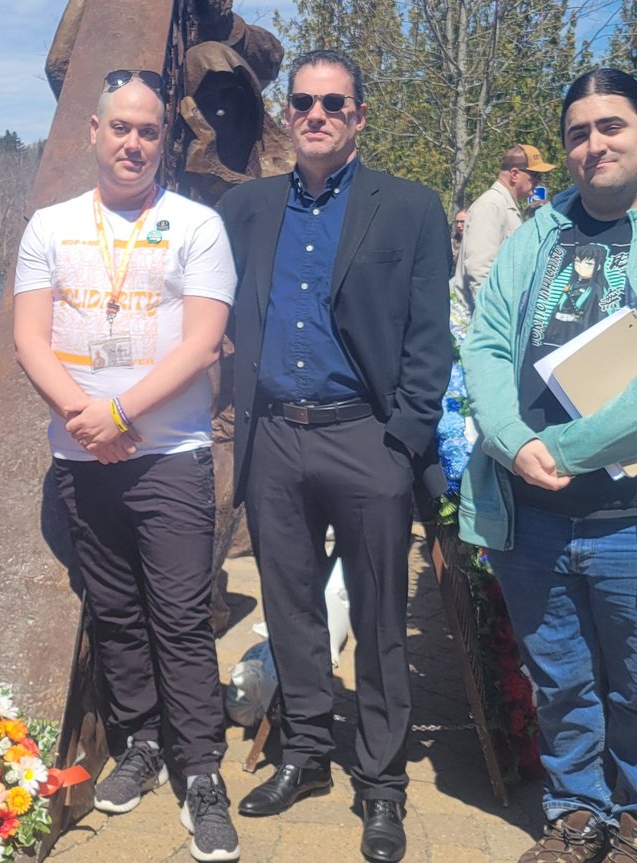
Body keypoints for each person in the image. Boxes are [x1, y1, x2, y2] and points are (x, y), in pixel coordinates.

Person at [217, 49, 451, 863]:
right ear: (288, 115)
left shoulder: (411, 208)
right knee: (291, 612)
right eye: (304, 104)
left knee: (381, 620)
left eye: (333, 104)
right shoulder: (246, 208)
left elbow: (430, 339)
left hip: (366, 439)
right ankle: (306, 754)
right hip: (274, 436)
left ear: (359, 116)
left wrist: (403, 443)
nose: (316, 115)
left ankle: (383, 787)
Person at [13, 68, 239, 862]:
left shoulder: (196, 226)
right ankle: (142, 741)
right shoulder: (50, 225)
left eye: (149, 130)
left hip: (168, 453)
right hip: (81, 453)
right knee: (113, 610)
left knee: (179, 616)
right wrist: (87, 417)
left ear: (162, 140)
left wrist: (119, 412)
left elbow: (201, 341)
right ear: (94, 135)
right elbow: (30, 337)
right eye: (121, 128)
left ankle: (202, 770)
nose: (134, 141)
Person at [460, 67, 637, 863]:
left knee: (635, 682)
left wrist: (557, 448)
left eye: (611, 125)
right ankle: (578, 812)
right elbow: (488, 342)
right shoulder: (537, 233)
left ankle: (632, 816)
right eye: (577, 132)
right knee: (559, 676)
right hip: (529, 514)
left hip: (628, 520)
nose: (593, 144)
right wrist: (509, 437)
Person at [458, 143, 556, 308]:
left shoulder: (504, 205)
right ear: (515, 174)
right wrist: (490, 318)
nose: (539, 182)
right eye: (535, 175)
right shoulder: (491, 205)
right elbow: (479, 269)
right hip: (479, 318)